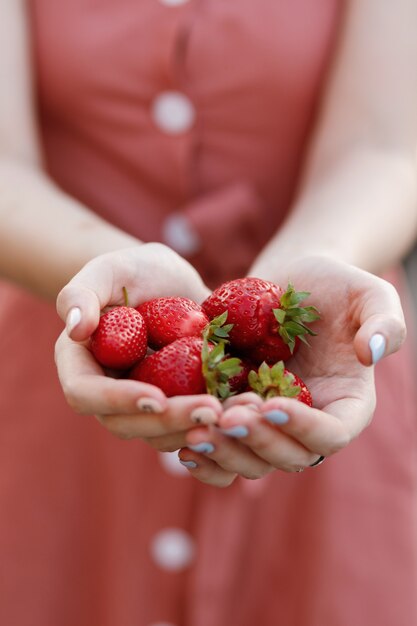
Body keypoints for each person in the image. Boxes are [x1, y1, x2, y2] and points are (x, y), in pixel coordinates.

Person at [0, 1, 416, 625]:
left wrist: (316, 259)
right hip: (68, 354)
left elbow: (387, 145)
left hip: (324, 348)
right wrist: (104, 268)